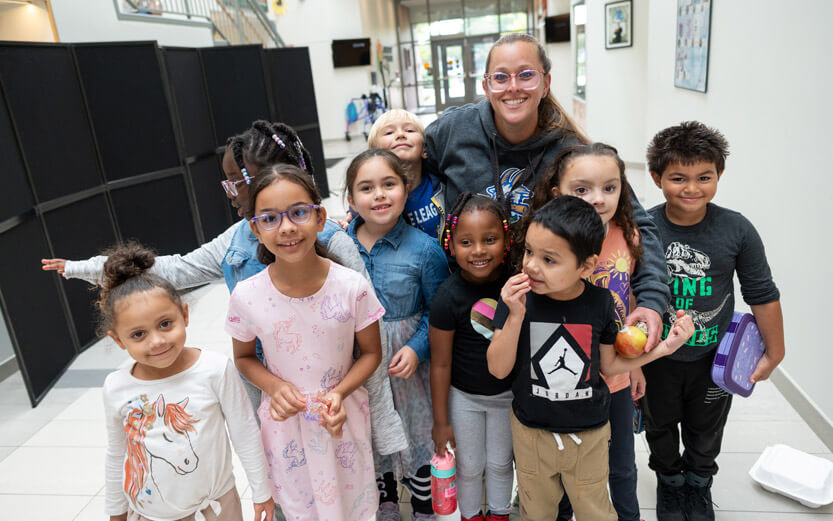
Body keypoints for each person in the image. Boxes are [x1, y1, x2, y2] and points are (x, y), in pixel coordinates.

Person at [40, 120, 406, 460]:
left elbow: (368, 337)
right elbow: (176, 268)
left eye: (235, 180)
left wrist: (382, 423)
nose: (230, 193)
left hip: (332, 389)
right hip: (267, 385)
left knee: (342, 462)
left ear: (267, 177)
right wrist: (83, 268)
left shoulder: (333, 242)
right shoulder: (236, 239)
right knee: (284, 473)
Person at [423, 33, 670, 354]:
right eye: (500, 77)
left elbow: (637, 221)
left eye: (526, 75)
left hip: (545, 310)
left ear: (545, 82)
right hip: (466, 307)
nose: (513, 87)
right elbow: (402, 176)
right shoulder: (453, 130)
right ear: (486, 86)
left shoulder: (572, 151)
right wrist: (359, 218)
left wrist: (651, 299)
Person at [486, 196, 695, 521]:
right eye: (529, 251)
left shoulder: (599, 303)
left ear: (585, 266)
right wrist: (514, 316)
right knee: (536, 512)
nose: (530, 265)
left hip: (590, 435)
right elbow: (498, 369)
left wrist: (665, 348)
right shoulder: (517, 297)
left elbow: (609, 365)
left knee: (594, 510)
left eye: (549, 259)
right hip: (530, 434)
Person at [644, 121, 784, 521]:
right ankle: (670, 483)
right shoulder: (645, 229)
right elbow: (630, 292)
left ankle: (699, 484)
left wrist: (775, 351)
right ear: (657, 178)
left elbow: (762, 292)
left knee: (706, 430)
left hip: (715, 359)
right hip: (658, 358)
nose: (691, 188)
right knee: (660, 426)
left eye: (704, 177)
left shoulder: (736, 229)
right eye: (678, 178)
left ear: (719, 175)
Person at [225, 164, 382, 521]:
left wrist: (340, 392)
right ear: (256, 229)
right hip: (286, 427)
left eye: (298, 213)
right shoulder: (247, 296)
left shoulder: (350, 286)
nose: (287, 228)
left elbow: (372, 353)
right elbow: (244, 358)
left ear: (320, 216)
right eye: (270, 218)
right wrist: (275, 386)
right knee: (300, 510)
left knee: (353, 506)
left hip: (340, 420)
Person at [100, 242, 274, 521]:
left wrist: (261, 490)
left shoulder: (214, 369)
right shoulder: (117, 387)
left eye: (165, 324)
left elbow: (245, 432)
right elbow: (116, 454)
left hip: (218, 506)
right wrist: (115, 512)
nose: (157, 341)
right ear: (118, 340)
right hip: (150, 513)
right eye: (138, 334)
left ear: (184, 315)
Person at [529, 143, 646, 521]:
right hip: (566, 382)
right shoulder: (546, 244)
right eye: (582, 189)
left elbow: (627, 307)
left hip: (615, 377)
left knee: (622, 466)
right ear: (557, 193)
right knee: (566, 470)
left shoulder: (628, 234)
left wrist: (636, 366)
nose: (598, 199)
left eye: (609, 188)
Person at [345, 148, 450, 521]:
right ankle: (385, 498)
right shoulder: (338, 248)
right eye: (366, 188)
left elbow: (437, 312)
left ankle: (423, 503)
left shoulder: (425, 250)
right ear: (350, 199)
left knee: (415, 432)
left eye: (389, 184)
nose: (379, 195)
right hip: (357, 363)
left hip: (406, 365)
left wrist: (417, 348)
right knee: (370, 429)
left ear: (405, 189)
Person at [429, 193, 514, 521]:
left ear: (506, 240)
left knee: (499, 464)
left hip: (508, 397)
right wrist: (440, 422)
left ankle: (500, 514)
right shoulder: (447, 298)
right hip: (464, 399)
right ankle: (471, 516)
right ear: (451, 245)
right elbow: (440, 364)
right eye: (466, 242)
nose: (478, 250)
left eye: (489, 239)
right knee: (469, 466)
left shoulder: (515, 285)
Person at [366, 109, 446, 238]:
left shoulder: (441, 184)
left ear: (424, 149)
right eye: (389, 132)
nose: (400, 135)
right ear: (375, 154)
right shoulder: (373, 198)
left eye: (409, 130)